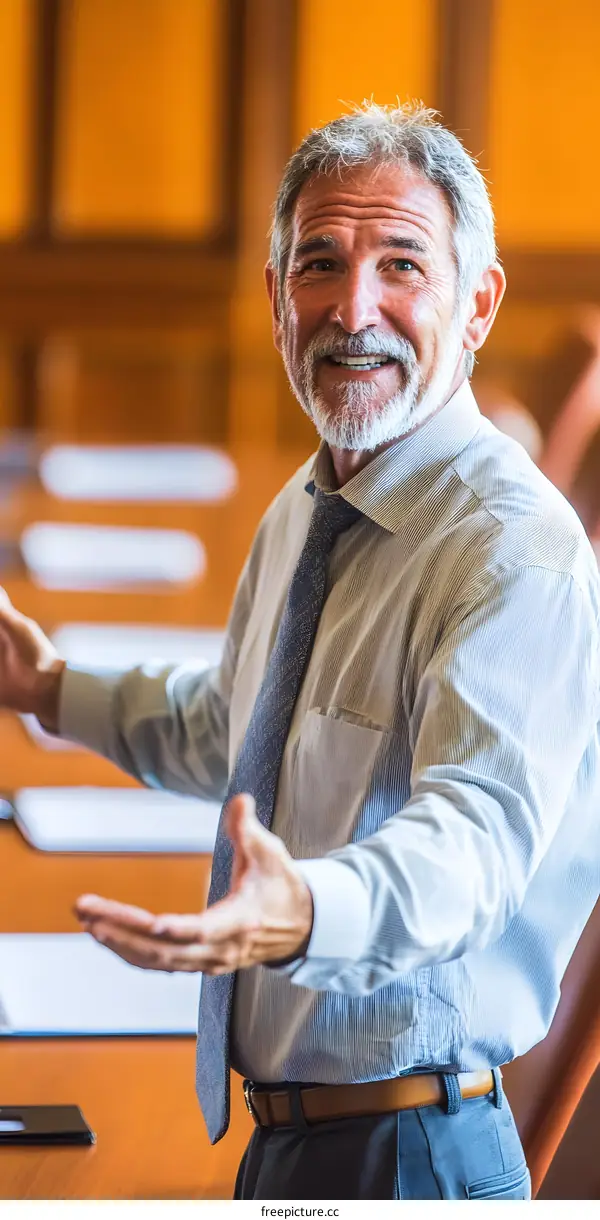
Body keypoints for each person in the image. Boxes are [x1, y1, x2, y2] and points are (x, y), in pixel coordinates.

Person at [1, 101, 599, 1201]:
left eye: (401, 265)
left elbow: (474, 846)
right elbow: (243, 724)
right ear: (278, 299)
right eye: (318, 262)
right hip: (302, 1136)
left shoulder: (516, 552)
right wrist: (47, 687)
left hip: (414, 1151)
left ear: (478, 303)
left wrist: (310, 908)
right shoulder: (312, 500)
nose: (353, 308)